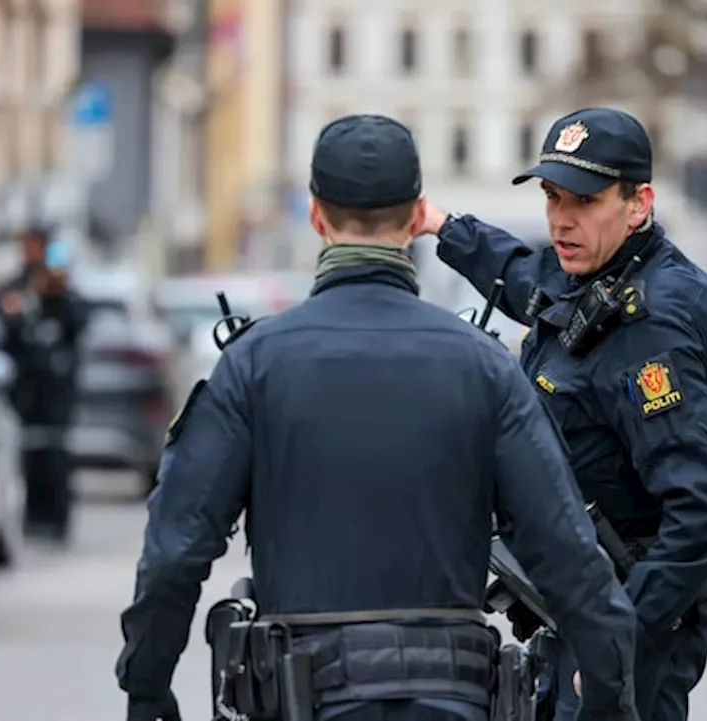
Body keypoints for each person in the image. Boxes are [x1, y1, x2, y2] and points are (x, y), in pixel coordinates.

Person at [115, 114, 641, 721]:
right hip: (454, 702)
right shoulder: (486, 369)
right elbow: (568, 554)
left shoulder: (254, 367)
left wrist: (147, 687)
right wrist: (609, 700)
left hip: (300, 699)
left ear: (316, 216)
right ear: (418, 218)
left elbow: (177, 551)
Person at [421, 107, 707, 721]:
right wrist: (439, 224)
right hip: (580, 606)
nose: (562, 219)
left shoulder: (651, 329)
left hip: (634, 617)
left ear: (637, 203)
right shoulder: (596, 270)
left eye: (585, 201)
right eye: (552, 197)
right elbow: (521, 275)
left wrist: (615, 638)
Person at [0, 238, 88, 543]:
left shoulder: (68, 308)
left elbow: (76, 332)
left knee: (56, 460)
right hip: (29, 399)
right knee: (30, 460)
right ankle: (33, 518)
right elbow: (12, 344)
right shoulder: (27, 305)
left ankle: (56, 520)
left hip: (57, 401)